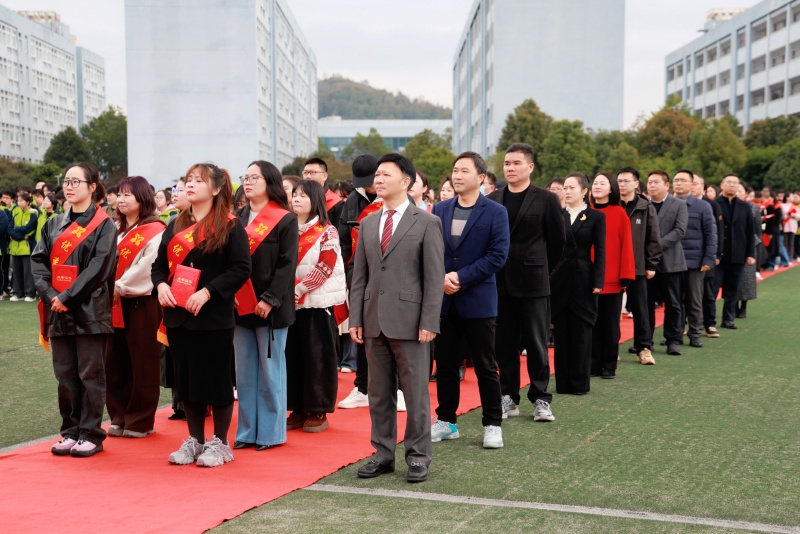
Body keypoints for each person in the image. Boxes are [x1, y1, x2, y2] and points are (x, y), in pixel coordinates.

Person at [350, 153, 444, 483]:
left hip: (411, 321)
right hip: (373, 319)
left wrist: (429, 321)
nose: (377, 180)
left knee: (416, 393)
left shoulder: (427, 222)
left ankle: (418, 456)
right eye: (376, 175)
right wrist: (356, 317)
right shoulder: (369, 222)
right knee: (378, 393)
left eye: (385, 175)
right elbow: (360, 275)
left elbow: (434, 277)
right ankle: (383, 453)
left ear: (405, 182)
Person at [152, 163, 251, 467]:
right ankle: (194, 439)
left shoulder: (230, 226)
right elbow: (159, 266)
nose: (190, 185)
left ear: (217, 189)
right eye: (188, 180)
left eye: (199, 180)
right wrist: (160, 286)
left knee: (217, 381)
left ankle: (220, 442)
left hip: (214, 317)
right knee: (186, 381)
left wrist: (208, 292)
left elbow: (241, 268)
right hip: (178, 316)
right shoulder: (175, 224)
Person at [31, 162, 117, 457]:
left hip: (90, 310)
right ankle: (70, 431)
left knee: (90, 374)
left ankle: (91, 433)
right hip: (58, 309)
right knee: (65, 375)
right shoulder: (53, 224)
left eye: (75, 181)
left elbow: (99, 268)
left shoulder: (105, 225)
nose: (69, 186)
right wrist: (51, 295)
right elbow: (38, 263)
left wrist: (68, 296)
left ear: (92, 187)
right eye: (66, 181)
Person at [430, 151, 509, 448]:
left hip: (478, 299)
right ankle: (446, 421)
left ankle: (492, 424)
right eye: (455, 170)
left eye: (464, 170)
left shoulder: (495, 212)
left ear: (481, 177)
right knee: (446, 364)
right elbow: (431, 250)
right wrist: (441, 278)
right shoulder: (440, 209)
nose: (457, 175)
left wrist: (460, 278)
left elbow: (497, 255)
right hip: (445, 299)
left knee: (486, 366)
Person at [487, 143, 565, 421]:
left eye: (516, 163)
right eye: (507, 163)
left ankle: (541, 398)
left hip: (534, 283)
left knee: (537, 343)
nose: (510, 168)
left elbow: (558, 243)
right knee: (504, 344)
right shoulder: (493, 199)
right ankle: (508, 396)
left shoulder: (546, 199)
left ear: (530, 167)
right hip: (500, 282)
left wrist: (541, 269)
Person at [233, 161, 298, 449]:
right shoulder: (235, 219)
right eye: (245, 177)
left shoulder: (285, 219)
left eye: (254, 177)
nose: (247, 182)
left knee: (271, 372)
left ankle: (271, 433)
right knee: (245, 373)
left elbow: (287, 265)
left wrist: (270, 299)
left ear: (269, 182)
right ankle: (247, 432)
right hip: (239, 304)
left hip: (271, 308)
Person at [106, 176, 165, 438]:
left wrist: (118, 286)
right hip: (112, 303)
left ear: (142, 199)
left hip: (140, 303)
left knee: (143, 362)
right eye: (119, 194)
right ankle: (118, 415)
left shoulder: (156, 229)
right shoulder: (114, 229)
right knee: (114, 361)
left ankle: (140, 420)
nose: (121, 199)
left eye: (127, 195)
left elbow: (146, 268)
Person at [286, 180, 346, 432]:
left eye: (303, 196)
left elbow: (325, 266)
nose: (297, 199)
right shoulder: (287, 228)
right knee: (293, 356)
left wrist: (298, 289)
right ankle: (297, 407)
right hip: (291, 304)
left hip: (317, 303)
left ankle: (318, 409)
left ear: (316, 200)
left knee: (318, 358)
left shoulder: (327, 231)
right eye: (295, 195)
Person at [550, 173, 605, 394]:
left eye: (572, 187)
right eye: (565, 187)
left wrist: (598, 280)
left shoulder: (595, 216)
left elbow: (600, 251)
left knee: (582, 332)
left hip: (584, 279)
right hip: (560, 279)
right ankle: (562, 383)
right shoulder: (557, 214)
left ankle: (580, 383)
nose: (567, 191)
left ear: (584, 191)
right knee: (561, 333)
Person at [590, 173, 635, 378]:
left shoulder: (619, 213)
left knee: (609, 326)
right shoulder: (586, 211)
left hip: (612, 279)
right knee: (591, 325)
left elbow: (627, 246)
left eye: (603, 183)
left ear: (611, 189)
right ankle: (592, 364)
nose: (597, 186)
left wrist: (625, 275)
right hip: (588, 279)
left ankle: (609, 365)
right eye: (595, 183)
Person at [618, 168, 662, 365]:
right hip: (613, 266)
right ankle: (611, 347)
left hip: (637, 266)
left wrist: (651, 264)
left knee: (641, 308)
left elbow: (653, 237)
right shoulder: (611, 205)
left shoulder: (645, 207)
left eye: (626, 181)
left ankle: (644, 348)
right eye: (619, 181)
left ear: (636, 184)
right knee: (612, 310)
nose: (622, 184)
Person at [672, 170, 717, 349]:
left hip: (695, 261)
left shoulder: (703, 206)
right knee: (674, 301)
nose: (679, 183)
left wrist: (708, 259)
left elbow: (711, 234)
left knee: (694, 300)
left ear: (692, 184)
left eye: (683, 180)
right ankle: (675, 334)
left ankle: (695, 333)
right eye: (676, 180)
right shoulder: (667, 204)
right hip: (672, 261)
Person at [646, 171, 688, 355]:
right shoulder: (643, 204)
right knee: (646, 303)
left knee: (673, 303)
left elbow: (679, 231)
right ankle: (645, 341)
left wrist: (655, 245)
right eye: (649, 182)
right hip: (646, 262)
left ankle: (673, 340)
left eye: (656, 182)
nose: (652, 185)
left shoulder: (678, 204)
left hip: (671, 261)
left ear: (666, 185)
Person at [710, 175, 756, 330]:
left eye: (735, 183)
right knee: (712, 288)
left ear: (738, 186)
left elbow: (750, 231)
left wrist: (750, 254)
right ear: (722, 185)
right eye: (728, 182)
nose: (732, 185)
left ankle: (728, 318)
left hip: (738, 253)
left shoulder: (745, 206)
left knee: (733, 288)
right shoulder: (713, 204)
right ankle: (708, 320)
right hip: (718, 254)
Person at [691, 174, 724, 339]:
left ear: (702, 186)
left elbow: (717, 232)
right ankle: (686, 324)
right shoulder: (679, 203)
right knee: (685, 294)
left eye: (695, 183)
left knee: (708, 292)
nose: (692, 186)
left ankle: (709, 324)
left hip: (706, 254)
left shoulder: (712, 205)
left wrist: (717, 254)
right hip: (688, 256)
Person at [735, 183, 761, 318]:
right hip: (732, 246)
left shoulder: (753, 208)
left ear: (746, 193)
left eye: (740, 191)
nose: (737, 193)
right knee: (733, 277)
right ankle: (733, 305)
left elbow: (758, 230)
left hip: (749, 246)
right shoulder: (726, 207)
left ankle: (744, 306)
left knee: (747, 278)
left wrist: (755, 248)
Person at [9, 192, 39, 302]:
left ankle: (30, 293)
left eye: (21, 201)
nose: (19, 202)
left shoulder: (33, 213)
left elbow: (29, 229)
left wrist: (17, 230)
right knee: (16, 271)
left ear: (28, 202)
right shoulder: (15, 211)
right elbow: (10, 228)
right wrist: (20, 236)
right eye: (18, 200)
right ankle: (17, 293)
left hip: (27, 247)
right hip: (15, 247)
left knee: (28, 272)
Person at [303, 157, 344, 229]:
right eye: (305, 173)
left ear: (324, 176)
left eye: (313, 172)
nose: (308, 176)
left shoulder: (336, 203)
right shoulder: (298, 199)